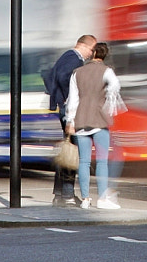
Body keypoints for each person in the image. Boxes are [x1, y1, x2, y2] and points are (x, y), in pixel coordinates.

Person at [64, 41, 123, 210]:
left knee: (83, 162)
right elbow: (115, 88)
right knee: (102, 161)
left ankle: (85, 199)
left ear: (93, 53)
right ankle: (103, 199)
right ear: (104, 55)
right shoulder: (107, 71)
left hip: (81, 120)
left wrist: (70, 121)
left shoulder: (77, 72)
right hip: (100, 120)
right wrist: (106, 103)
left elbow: (72, 99)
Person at [44, 35, 95, 206]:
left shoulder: (67, 57)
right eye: (91, 49)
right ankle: (66, 194)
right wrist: (69, 97)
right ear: (82, 45)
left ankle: (60, 194)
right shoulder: (73, 58)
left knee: (68, 150)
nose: (91, 53)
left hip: (65, 107)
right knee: (73, 151)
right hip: (70, 110)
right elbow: (64, 77)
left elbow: (51, 76)